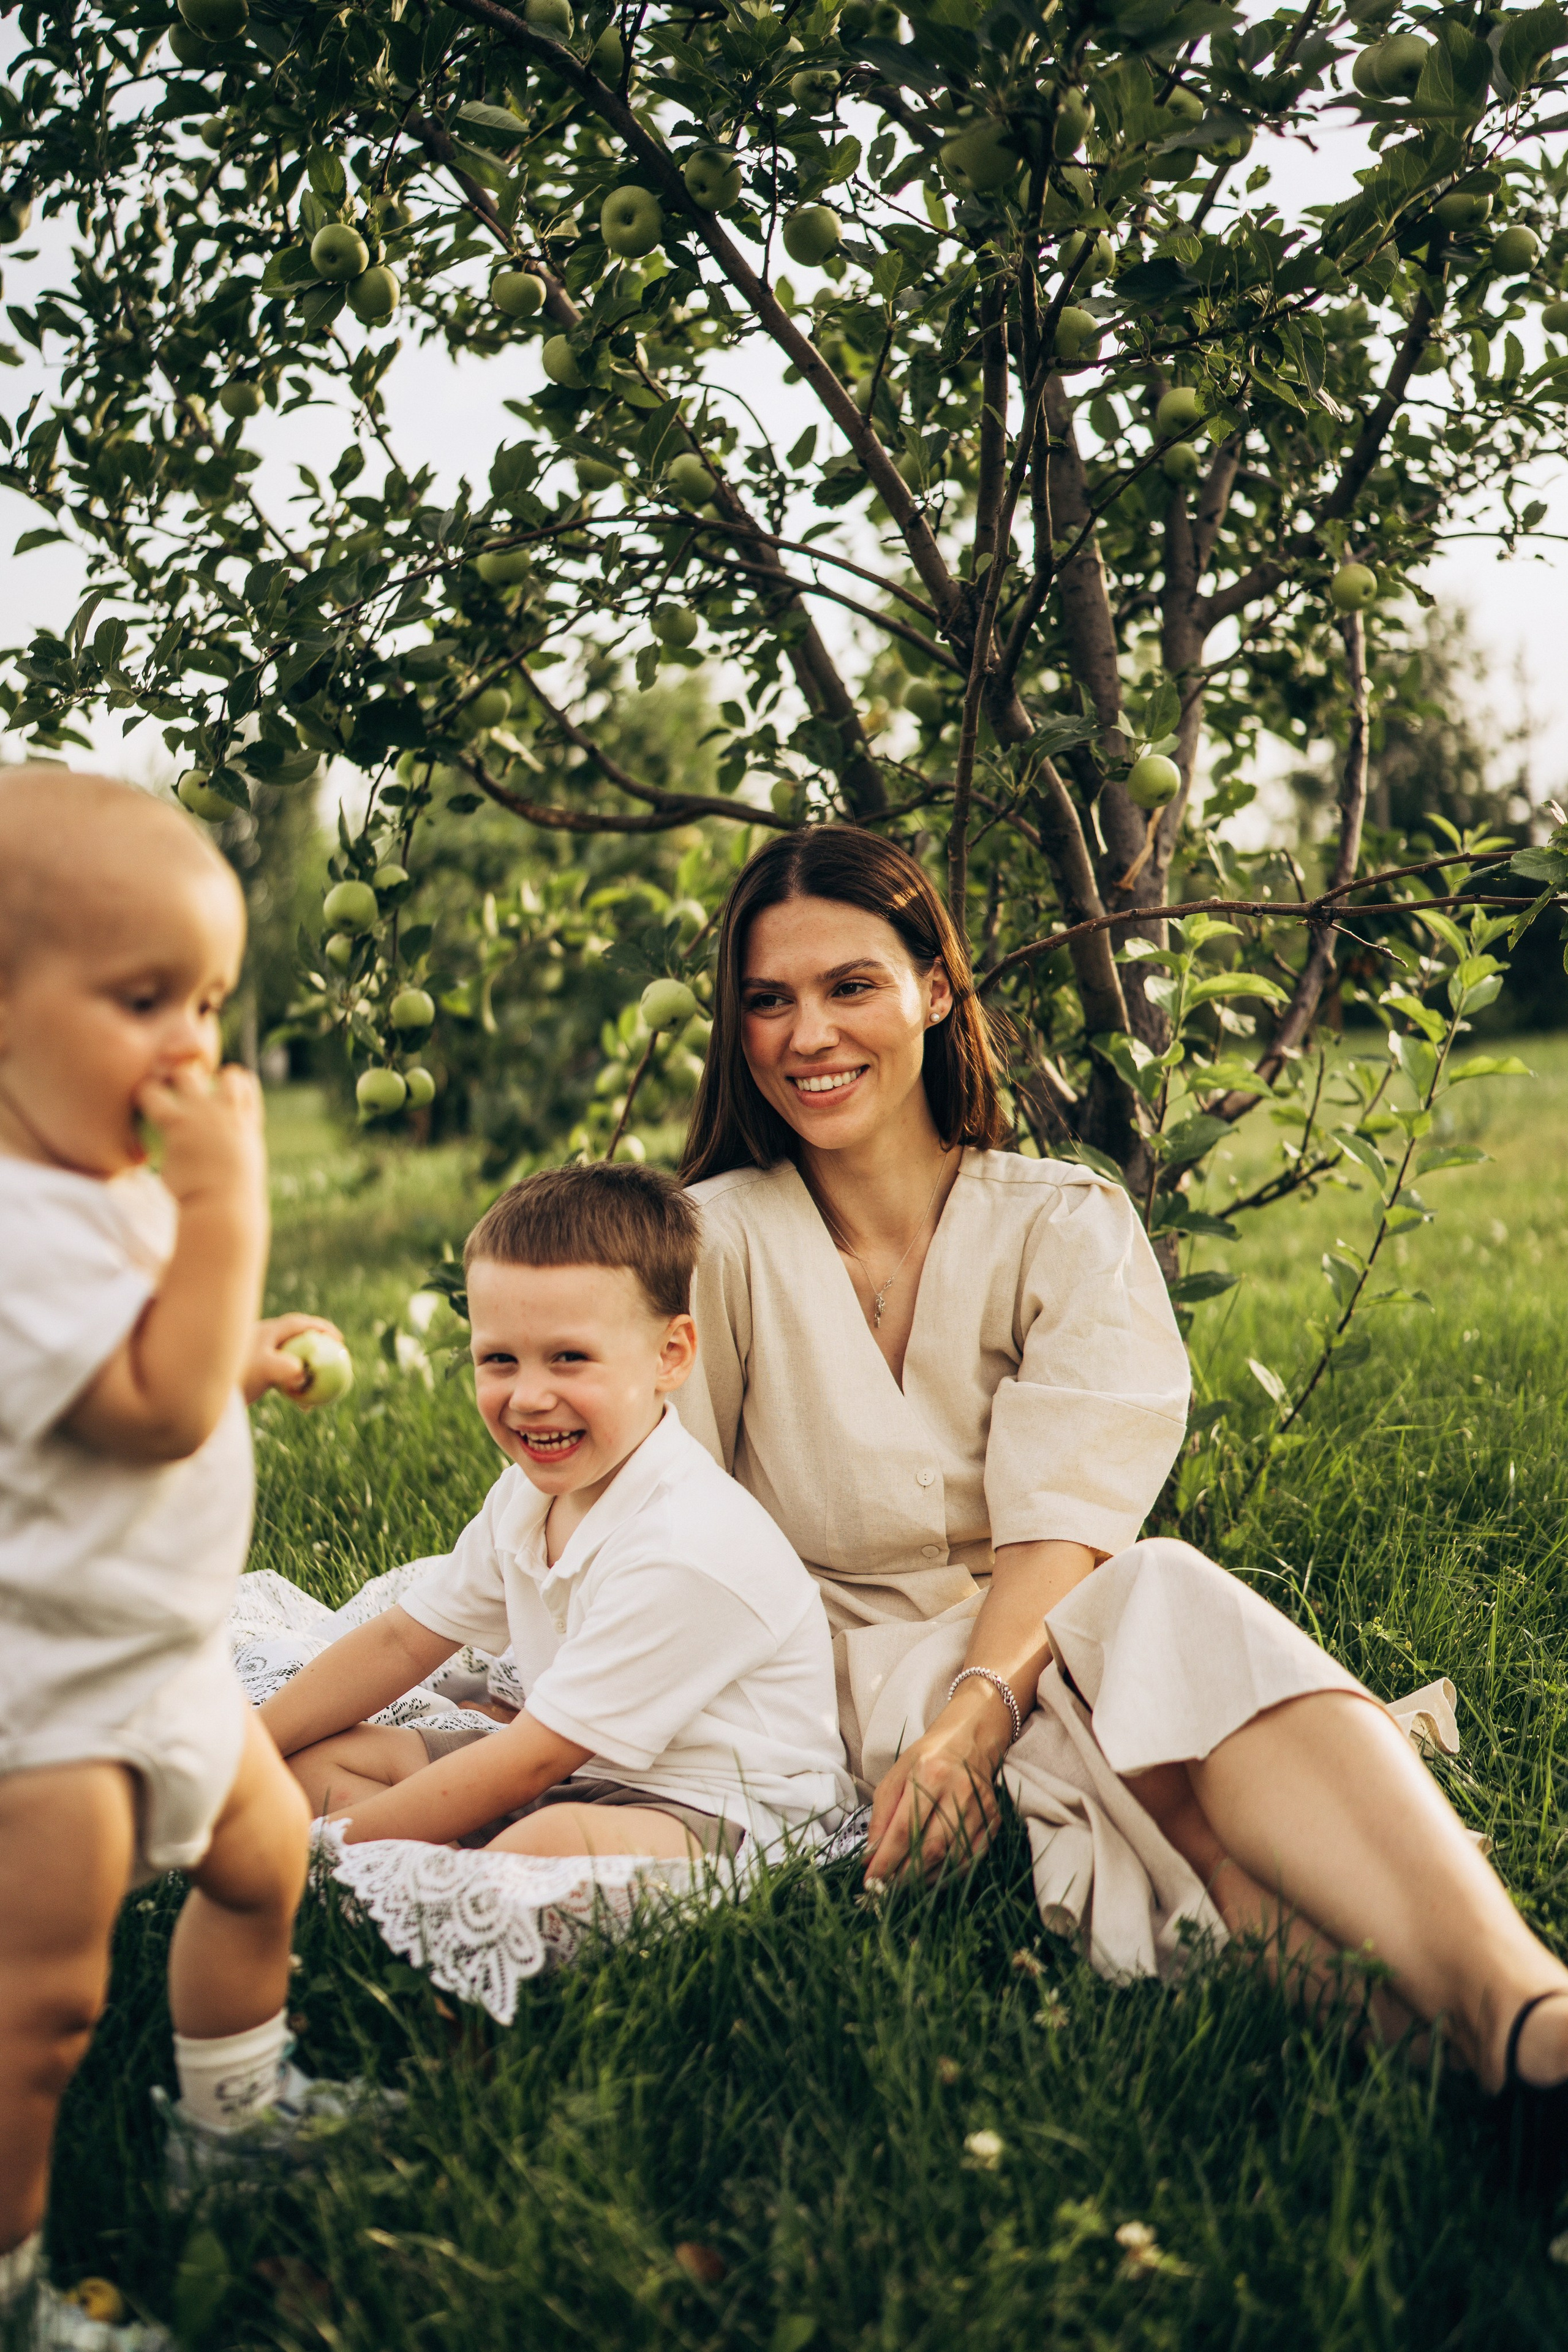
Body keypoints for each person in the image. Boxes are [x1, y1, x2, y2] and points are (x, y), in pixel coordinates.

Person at [674, 823, 1568, 2146]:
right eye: (767, 1000)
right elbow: (658, 1527)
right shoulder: (705, 1242)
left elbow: (1067, 1519)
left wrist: (975, 1715)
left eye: (849, 985)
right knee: (1169, 1779)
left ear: (935, 990)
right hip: (836, 1672)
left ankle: (1523, 2026)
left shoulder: (1062, 1221)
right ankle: (1513, 2036)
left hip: (1045, 1630)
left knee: (1154, 1618)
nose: (808, 1035)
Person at [0, 772, 375, 2352]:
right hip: (46, 1700)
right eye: (142, 998)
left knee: (261, 1854)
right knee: (37, 2010)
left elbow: (152, 1356)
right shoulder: (15, 1227)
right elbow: (147, 1409)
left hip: (158, 1653)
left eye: (209, 1002)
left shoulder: (96, 1192)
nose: (190, 1047)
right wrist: (227, 1206)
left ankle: (234, 2117)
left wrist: (241, 1345)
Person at [262, 1163, 852, 1863]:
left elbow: (529, 1762)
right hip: (570, 1770)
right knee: (310, 1768)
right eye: (499, 1360)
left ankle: (396, 1868)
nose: (529, 1397)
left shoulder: (686, 1543)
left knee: (543, 1844)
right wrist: (246, 1753)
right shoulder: (525, 1500)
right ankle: (427, 1865)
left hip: (712, 1805)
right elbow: (400, 1642)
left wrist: (308, 1852)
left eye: (569, 1358)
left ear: (670, 1356)